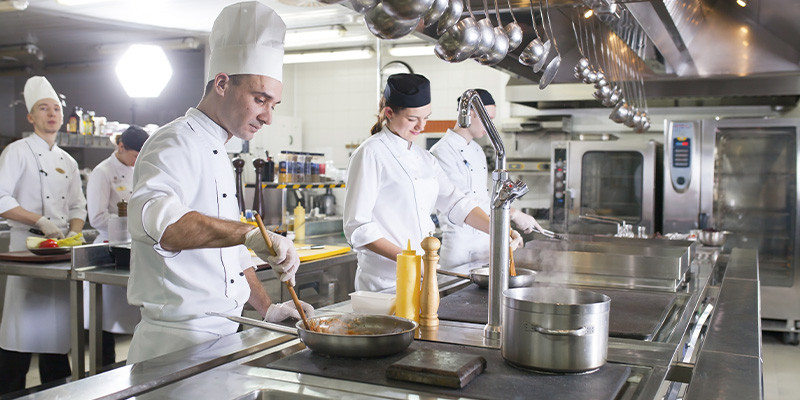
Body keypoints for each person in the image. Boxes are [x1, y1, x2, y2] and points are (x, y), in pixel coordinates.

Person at [126, 1, 312, 364]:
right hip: (175, 345)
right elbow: (163, 226)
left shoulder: (219, 148)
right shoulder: (174, 141)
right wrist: (247, 233)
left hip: (224, 333)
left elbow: (228, 254)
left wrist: (267, 308)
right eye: (261, 99)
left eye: (274, 104)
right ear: (223, 83)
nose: (268, 117)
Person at [343, 74, 523, 292]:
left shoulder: (425, 159)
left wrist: (500, 230)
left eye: (426, 117)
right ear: (389, 113)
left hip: (422, 279)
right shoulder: (370, 153)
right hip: (384, 284)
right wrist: (408, 260)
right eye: (412, 119)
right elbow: (357, 226)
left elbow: (457, 203)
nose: (421, 126)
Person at [0, 76, 87, 394]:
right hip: (25, 246)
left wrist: (73, 235)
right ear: (30, 117)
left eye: (55, 109)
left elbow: (79, 205)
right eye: (43, 109)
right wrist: (40, 220)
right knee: (19, 331)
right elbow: (1, 198)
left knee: (56, 334)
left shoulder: (68, 160)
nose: (51, 114)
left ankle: (56, 392)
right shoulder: (17, 152)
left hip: (60, 252)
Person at [429, 89, 543, 271]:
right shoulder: (441, 151)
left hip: (485, 242)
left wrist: (507, 223)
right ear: (470, 113)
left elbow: (484, 195)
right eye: (487, 118)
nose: (491, 125)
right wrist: (512, 216)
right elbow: (464, 201)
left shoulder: (477, 150)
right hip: (461, 247)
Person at [84, 125, 148, 366]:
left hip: (135, 249)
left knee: (136, 319)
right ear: (120, 146)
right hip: (109, 252)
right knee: (104, 320)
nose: (137, 160)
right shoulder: (102, 172)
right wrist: (130, 223)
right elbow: (98, 218)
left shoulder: (138, 169)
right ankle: (102, 369)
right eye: (134, 155)